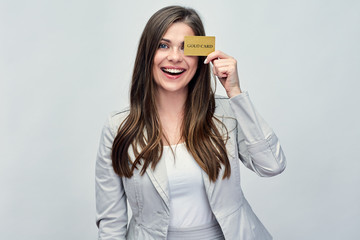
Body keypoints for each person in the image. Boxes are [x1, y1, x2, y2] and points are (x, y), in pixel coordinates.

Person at [95, 5, 286, 240]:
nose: (175, 57)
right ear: (147, 55)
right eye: (163, 45)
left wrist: (235, 93)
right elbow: (111, 223)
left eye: (187, 48)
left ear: (200, 58)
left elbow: (272, 165)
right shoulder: (118, 128)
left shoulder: (225, 113)